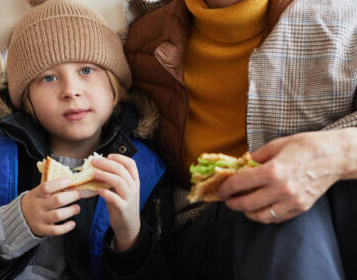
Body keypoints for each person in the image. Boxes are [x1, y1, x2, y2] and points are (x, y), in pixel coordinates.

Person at [125, 0, 357, 278]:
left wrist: (333, 153)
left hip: (335, 215)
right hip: (211, 229)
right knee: (278, 210)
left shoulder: (344, 18)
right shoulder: (144, 41)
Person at [0, 0, 175, 278]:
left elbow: (165, 269)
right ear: (27, 101)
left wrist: (129, 232)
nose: (71, 90)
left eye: (87, 70)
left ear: (115, 86)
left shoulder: (146, 171)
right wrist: (14, 223)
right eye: (48, 78)